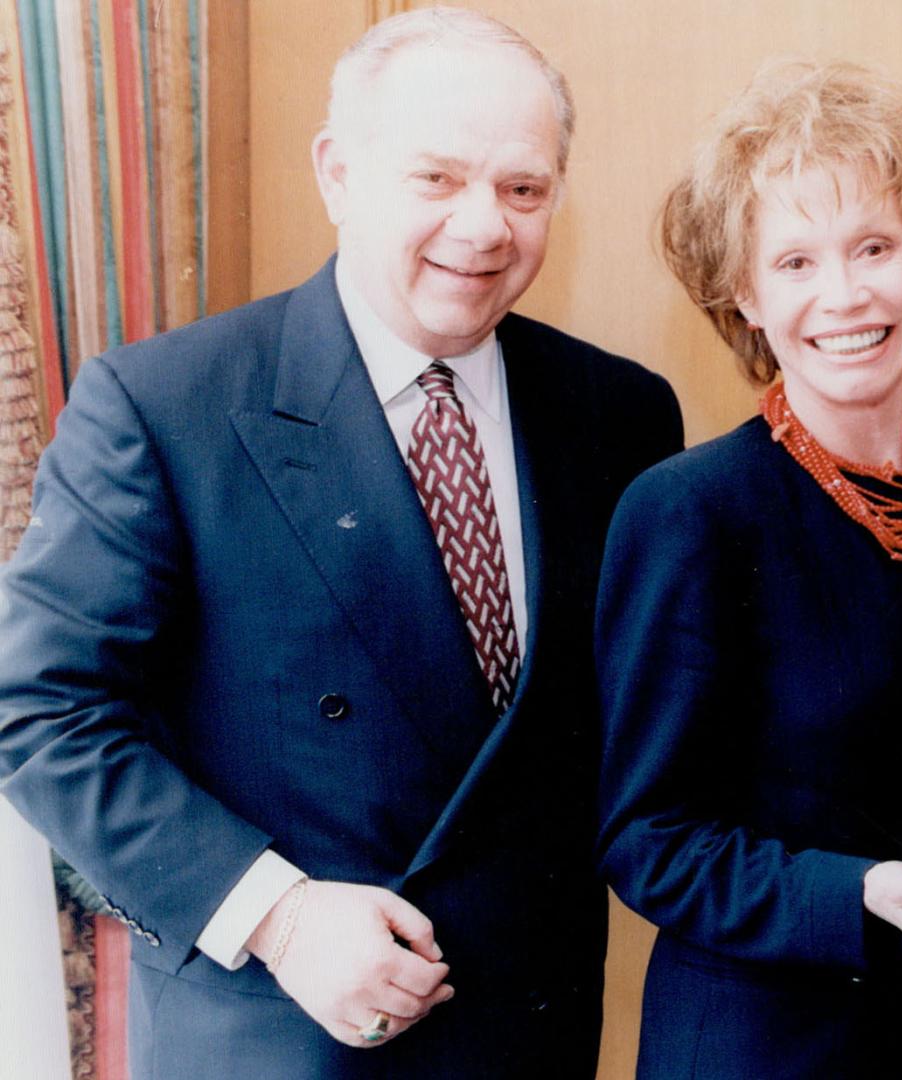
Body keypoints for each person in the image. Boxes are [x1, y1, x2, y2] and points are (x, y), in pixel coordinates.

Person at [0, 8, 681, 1077]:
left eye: (523, 188)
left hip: (530, 1033)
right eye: (436, 179)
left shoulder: (620, 413)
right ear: (337, 172)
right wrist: (278, 917)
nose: (483, 226)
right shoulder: (166, 403)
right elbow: (40, 709)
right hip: (280, 1030)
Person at [595, 61, 902, 1079]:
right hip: (770, 1044)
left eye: (873, 245)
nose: (844, 295)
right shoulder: (692, 511)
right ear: (743, 295)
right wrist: (844, 894)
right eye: (793, 263)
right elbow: (647, 837)